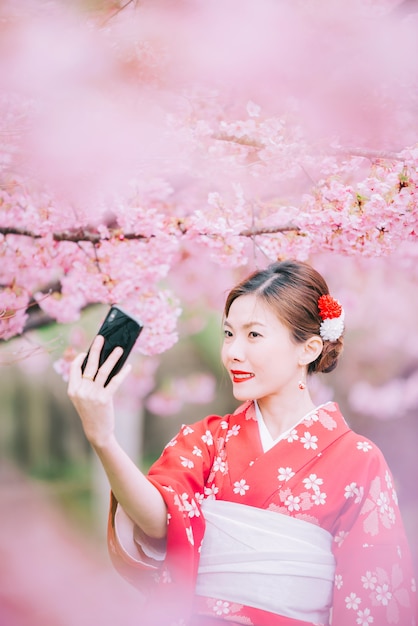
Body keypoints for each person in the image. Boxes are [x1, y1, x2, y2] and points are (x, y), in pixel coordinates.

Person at [68, 259, 417, 626]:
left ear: (309, 349)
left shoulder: (358, 460)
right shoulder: (206, 439)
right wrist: (103, 438)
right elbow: (163, 520)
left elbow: (372, 596)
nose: (233, 352)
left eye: (253, 335)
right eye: (228, 333)